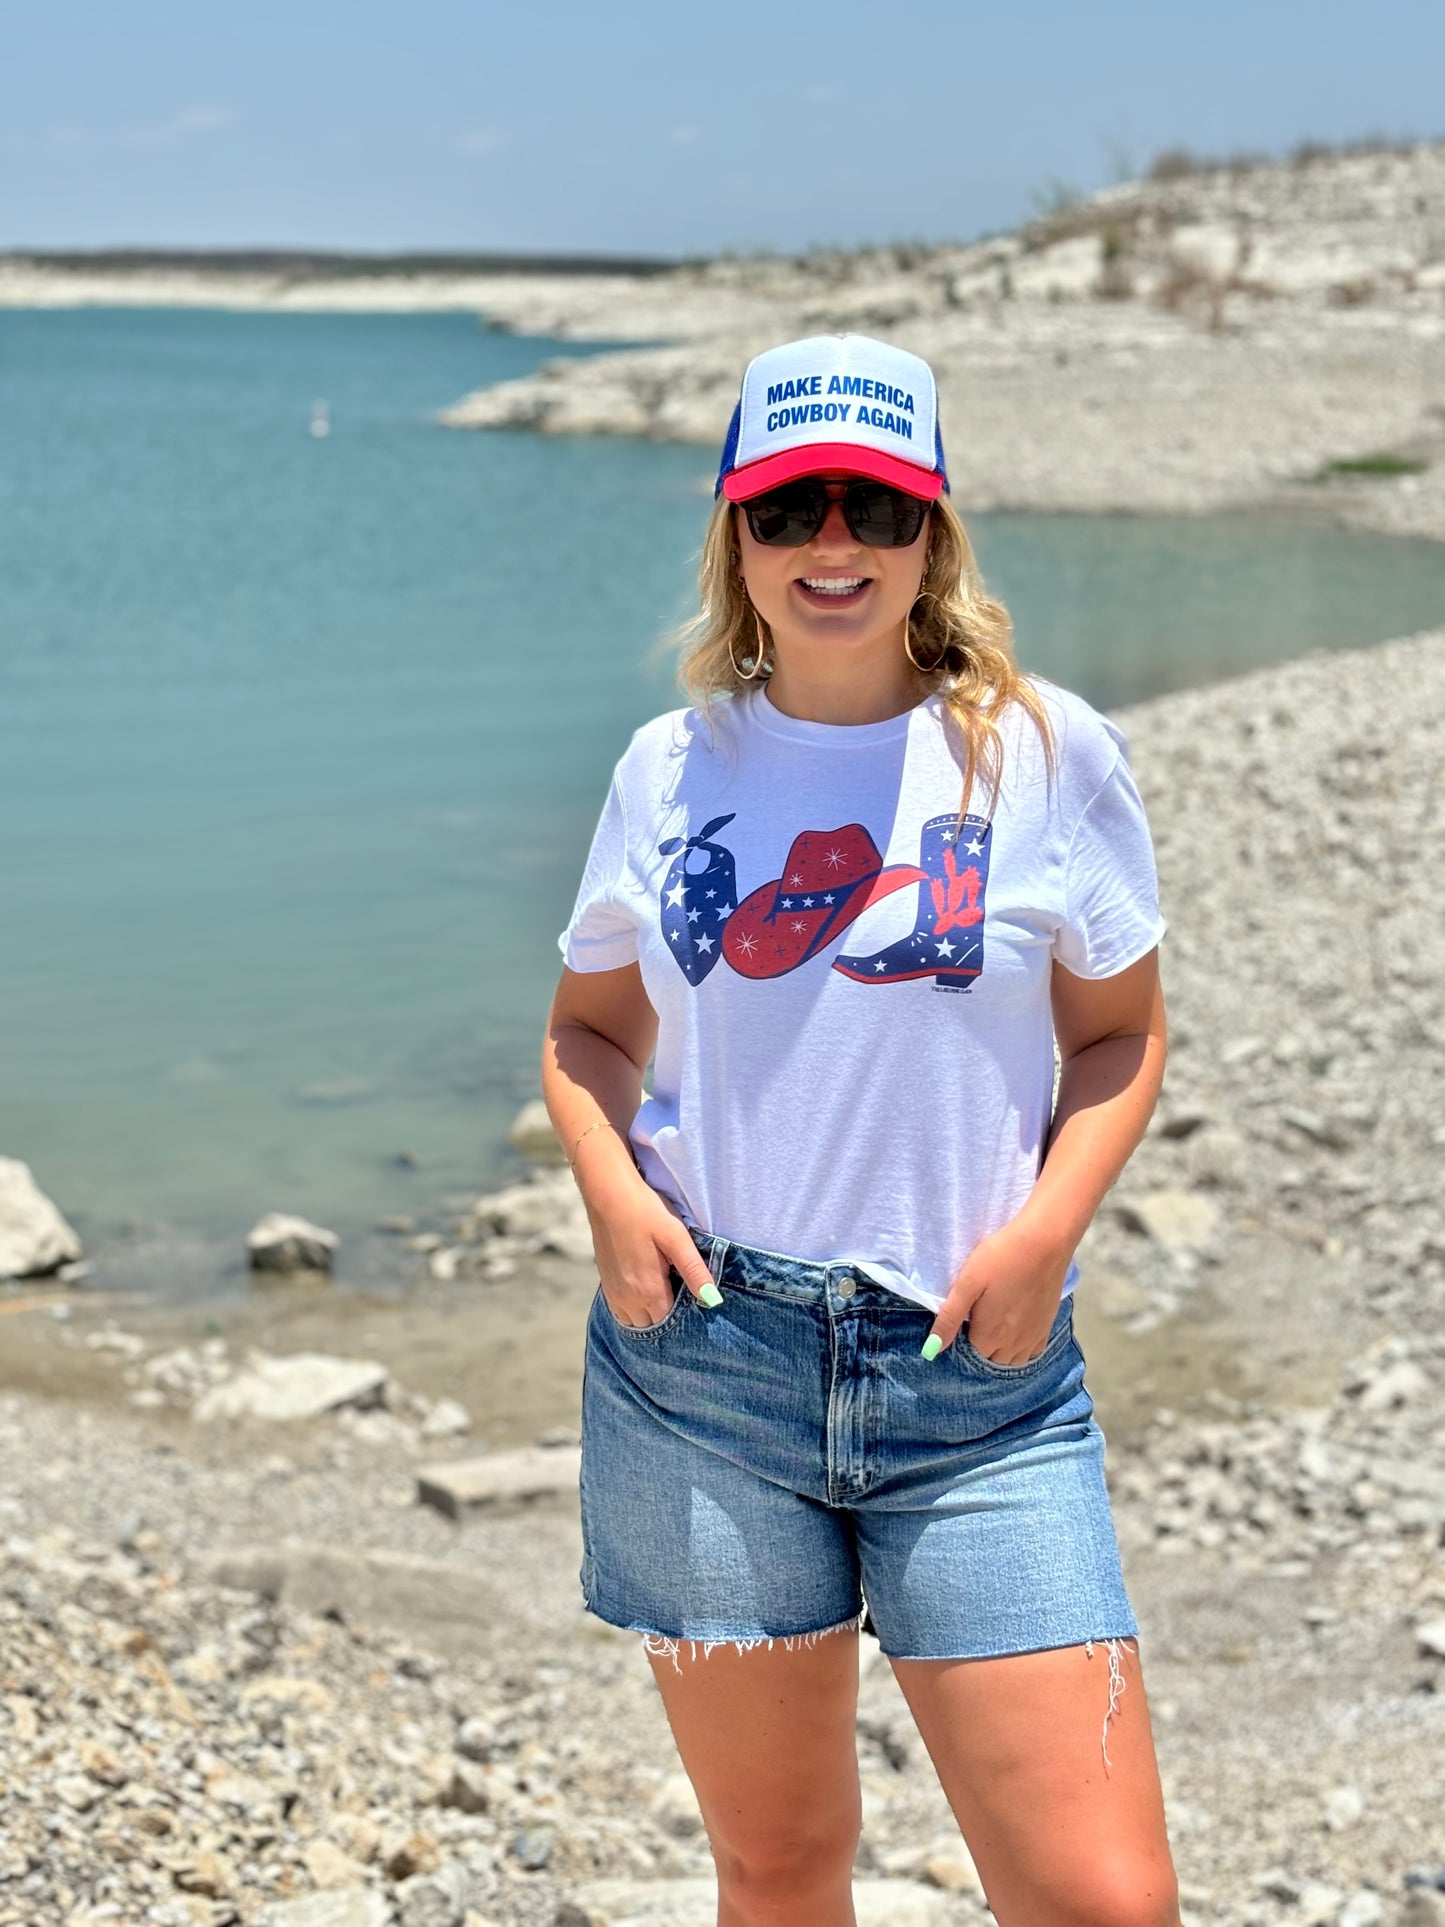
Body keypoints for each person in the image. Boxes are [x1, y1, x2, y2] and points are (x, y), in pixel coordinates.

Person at [541, 333, 1180, 1927]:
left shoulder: (1042, 754)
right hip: (703, 1373)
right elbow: (588, 1031)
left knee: (1100, 1900)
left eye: (875, 510)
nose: (832, 545)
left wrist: (1042, 1235)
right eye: (791, 507)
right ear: (735, 535)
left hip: (978, 1390)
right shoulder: (668, 769)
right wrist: (612, 1197)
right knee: (776, 1867)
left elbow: (1119, 1034)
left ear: (931, 536)